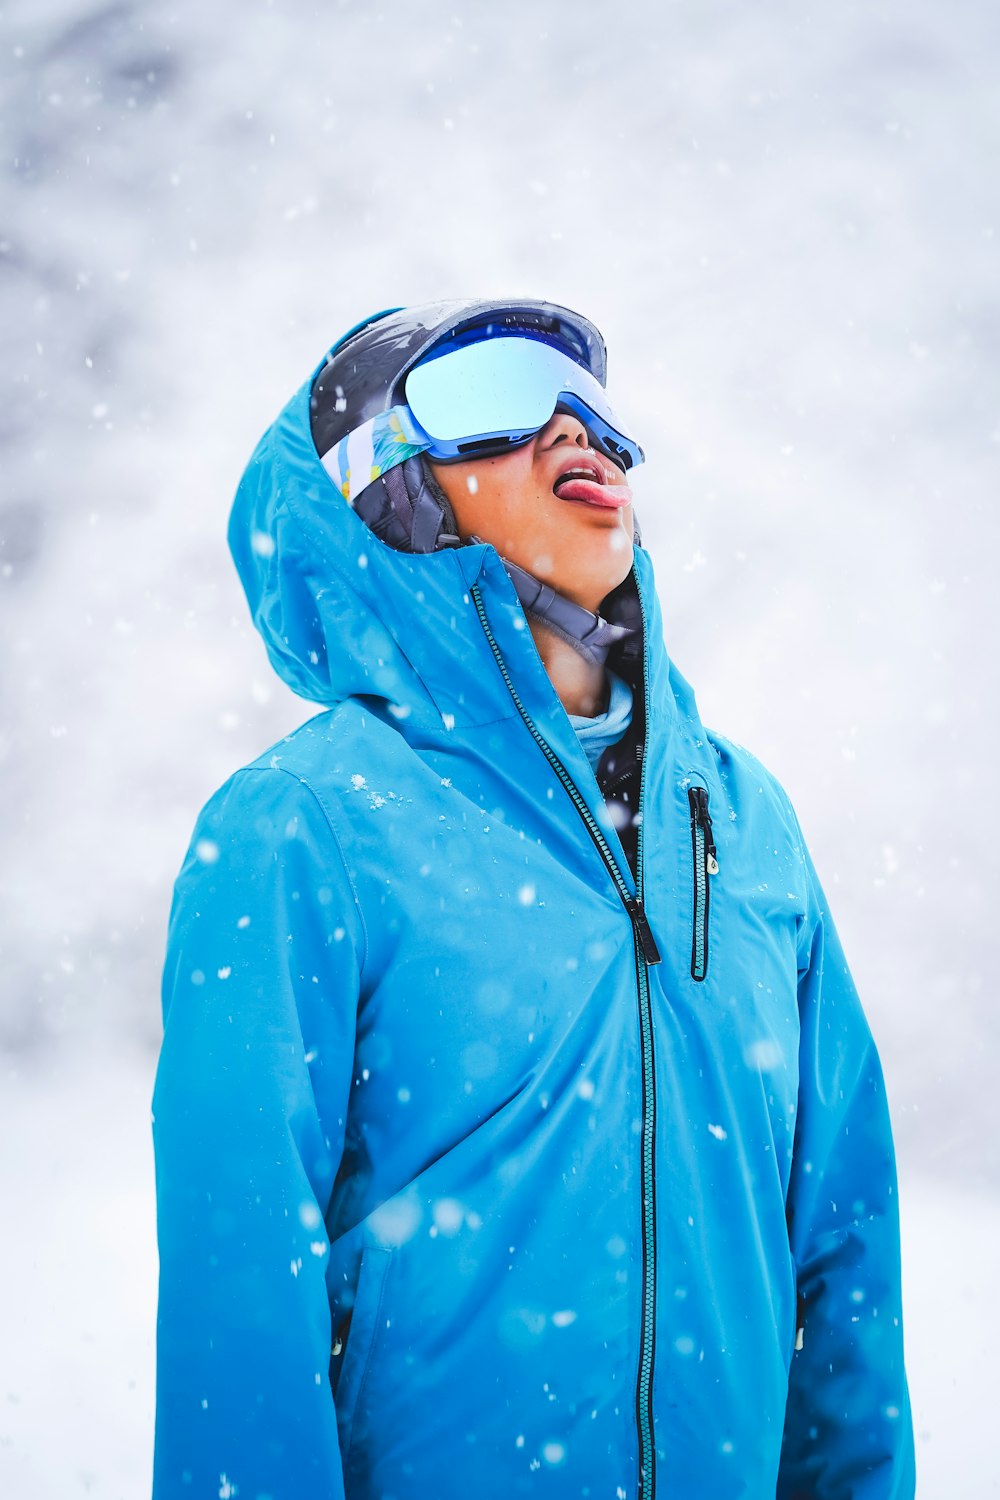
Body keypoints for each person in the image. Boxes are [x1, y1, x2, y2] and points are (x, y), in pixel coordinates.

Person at [152, 299, 915, 1499]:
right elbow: (238, 1274)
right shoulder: (308, 822)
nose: (579, 431)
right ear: (392, 495)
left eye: (594, 407)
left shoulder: (740, 817)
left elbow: (843, 1248)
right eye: (495, 396)